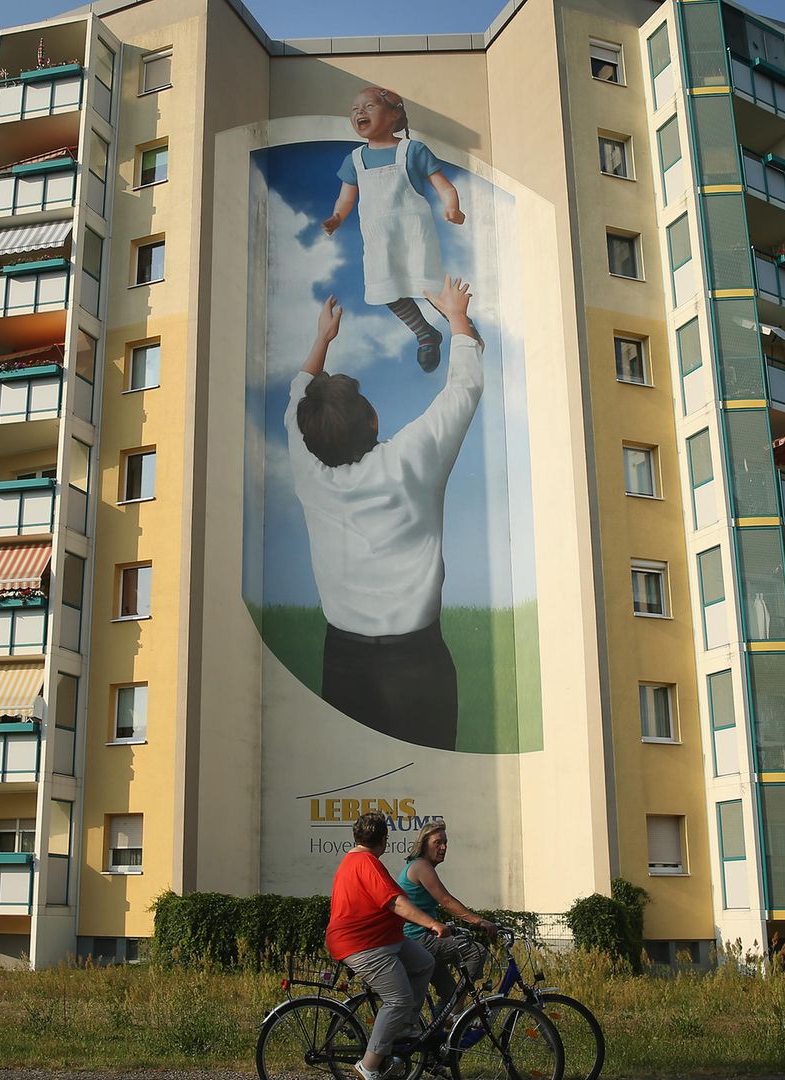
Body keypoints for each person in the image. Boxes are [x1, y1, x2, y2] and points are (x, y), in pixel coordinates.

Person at [285, 277, 483, 750]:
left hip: (341, 661)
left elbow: (297, 399)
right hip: (417, 662)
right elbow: (463, 388)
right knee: (431, 785)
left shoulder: (306, 468)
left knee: (353, 789)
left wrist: (321, 341)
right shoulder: (410, 459)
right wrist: (455, 314)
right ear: (373, 420)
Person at [322, 86, 466, 373]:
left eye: (369, 107)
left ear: (394, 114)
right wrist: (337, 217)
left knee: (430, 288)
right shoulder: (354, 160)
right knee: (386, 291)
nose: (359, 112)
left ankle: (464, 329)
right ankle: (425, 334)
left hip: (414, 236)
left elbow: (444, 186)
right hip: (379, 241)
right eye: (354, 109)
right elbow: (346, 197)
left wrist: (452, 206)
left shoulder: (412, 150)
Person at [327, 811, 451, 1080]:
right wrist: (432, 924)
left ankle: (405, 1027)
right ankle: (369, 1065)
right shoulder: (365, 863)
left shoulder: (356, 859)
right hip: (364, 944)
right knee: (398, 998)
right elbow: (395, 902)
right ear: (384, 840)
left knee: (424, 962)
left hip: (383, 939)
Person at [399, 823, 494, 1006]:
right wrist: (480, 921)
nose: (443, 847)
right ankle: (458, 1006)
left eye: (445, 842)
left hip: (417, 938)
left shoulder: (417, 866)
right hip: (419, 938)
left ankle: (445, 1024)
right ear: (424, 844)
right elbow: (446, 901)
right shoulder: (421, 866)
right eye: (438, 842)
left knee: (450, 993)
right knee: (476, 951)